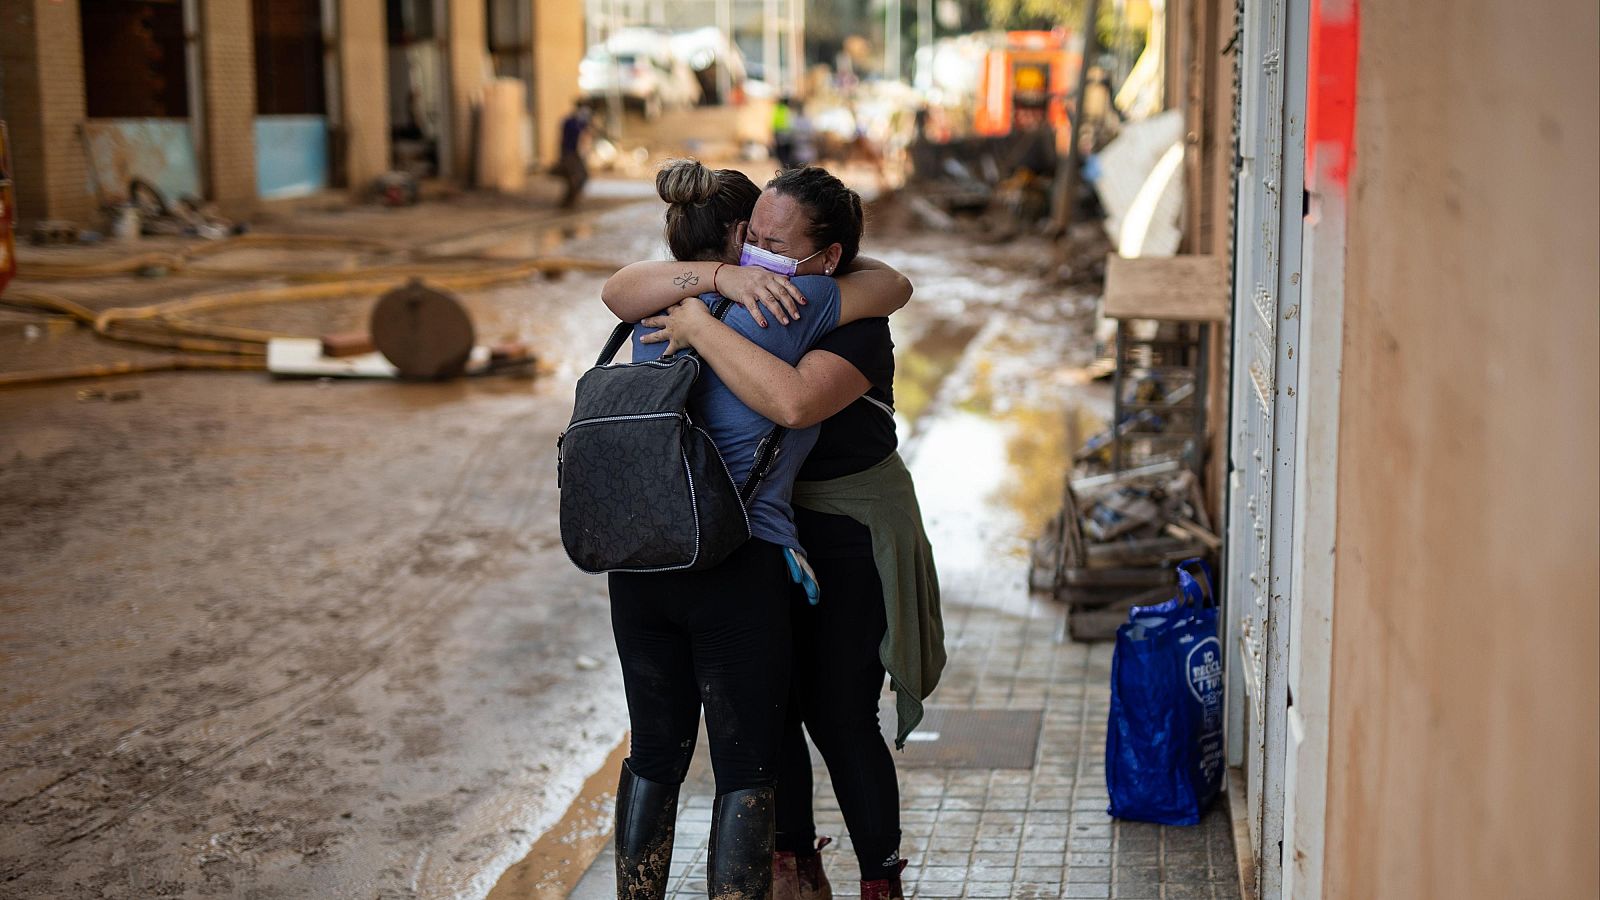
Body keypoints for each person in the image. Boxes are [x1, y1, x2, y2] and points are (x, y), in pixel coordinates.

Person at [614, 166, 944, 900]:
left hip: (790, 538)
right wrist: (716, 289)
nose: (761, 254)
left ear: (825, 256)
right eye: (753, 239)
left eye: (775, 243)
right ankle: (793, 868)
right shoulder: (756, 295)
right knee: (757, 739)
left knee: (829, 715)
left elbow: (875, 303)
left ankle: (867, 875)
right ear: (735, 240)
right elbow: (884, 284)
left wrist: (700, 308)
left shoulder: (680, 309)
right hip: (746, 549)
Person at [558, 103, 592, 208]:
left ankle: (571, 201)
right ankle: (567, 202)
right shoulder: (570, 122)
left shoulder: (581, 122)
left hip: (578, 155)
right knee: (575, 178)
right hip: (569, 154)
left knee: (583, 177)